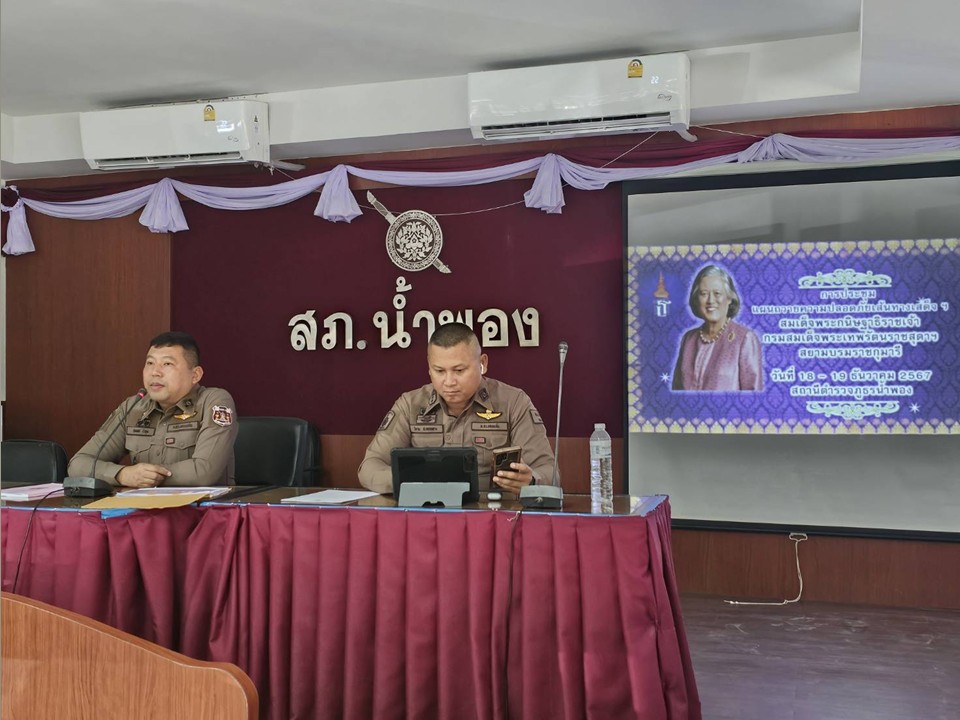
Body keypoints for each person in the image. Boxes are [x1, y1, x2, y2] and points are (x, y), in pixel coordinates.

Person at [359, 322, 556, 494]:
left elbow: (549, 471)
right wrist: (414, 479)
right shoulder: (410, 405)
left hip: (493, 514)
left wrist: (531, 481)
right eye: (439, 371)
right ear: (429, 367)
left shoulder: (514, 402)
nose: (449, 381)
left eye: (459, 370)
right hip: (427, 512)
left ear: (482, 363)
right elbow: (369, 467)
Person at [67, 332, 238, 488]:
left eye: (167, 364)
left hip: (203, 509)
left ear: (195, 375)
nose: (155, 372)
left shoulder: (214, 401)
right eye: (150, 363)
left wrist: (148, 477)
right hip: (142, 508)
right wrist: (122, 474)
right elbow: (77, 465)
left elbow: (205, 471)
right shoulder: (133, 407)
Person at [672, 265, 764, 392]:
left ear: (729, 299)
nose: (710, 300)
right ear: (696, 299)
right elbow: (676, 393)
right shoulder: (688, 339)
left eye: (717, 293)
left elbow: (753, 397)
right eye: (703, 294)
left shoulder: (745, 339)